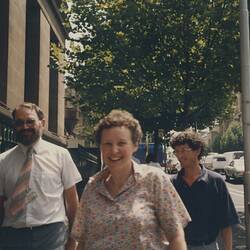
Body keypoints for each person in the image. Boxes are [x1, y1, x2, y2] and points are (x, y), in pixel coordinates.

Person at [71, 109, 191, 250]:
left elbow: (176, 236)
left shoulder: (154, 179)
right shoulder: (92, 187)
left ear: (135, 145)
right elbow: (83, 240)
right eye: (107, 144)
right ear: (101, 147)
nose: (114, 150)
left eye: (121, 143)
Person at [0, 102, 82, 250]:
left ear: (42, 123)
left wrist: (73, 239)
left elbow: (72, 201)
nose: (25, 127)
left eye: (30, 121)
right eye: (19, 123)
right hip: (11, 236)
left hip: (51, 235)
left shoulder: (61, 155)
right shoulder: (3, 161)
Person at [170, 130, 240, 250]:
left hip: (208, 246)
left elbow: (226, 222)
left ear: (197, 151)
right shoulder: (172, 183)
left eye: (184, 150)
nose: (179, 156)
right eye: (176, 151)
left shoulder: (215, 181)